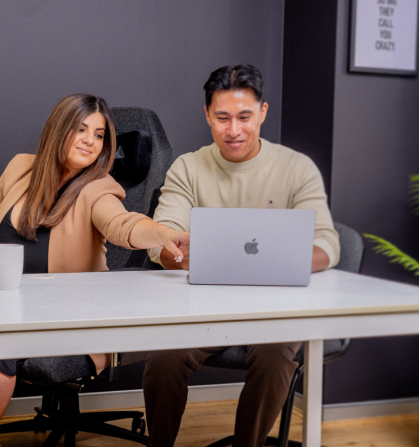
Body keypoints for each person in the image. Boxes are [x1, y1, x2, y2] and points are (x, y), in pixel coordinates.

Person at [0, 94, 189, 447]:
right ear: (58, 130)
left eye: (100, 135)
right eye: (81, 129)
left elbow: (125, 225)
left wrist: (165, 234)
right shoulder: (19, 169)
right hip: (4, 308)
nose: (90, 140)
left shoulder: (98, 187)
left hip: (65, 317)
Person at [141, 64, 340, 447]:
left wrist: (275, 262)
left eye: (245, 117)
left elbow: (327, 244)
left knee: (276, 355)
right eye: (223, 118)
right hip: (203, 302)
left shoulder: (296, 168)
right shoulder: (188, 167)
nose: (234, 130)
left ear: (262, 113)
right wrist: (172, 252)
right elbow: (161, 242)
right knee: (164, 357)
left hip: (276, 305)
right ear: (207, 116)